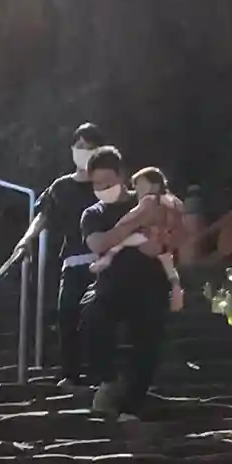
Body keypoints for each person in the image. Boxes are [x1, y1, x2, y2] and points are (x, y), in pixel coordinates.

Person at [79, 148, 174, 417]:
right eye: (97, 184)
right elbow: (98, 243)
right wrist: (133, 225)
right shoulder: (93, 214)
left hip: (150, 282)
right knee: (91, 316)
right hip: (110, 284)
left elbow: (158, 240)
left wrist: (122, 231)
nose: (102, 189)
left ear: (121, 175)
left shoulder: (147, 200)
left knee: (147, 340)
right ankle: (108, 379)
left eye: (107, 182)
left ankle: (133, 404)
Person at [17, 123, 105, 384]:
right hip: (73, 260)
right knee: (67, 314)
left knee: (100, 316)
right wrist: (27, 239)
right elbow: (43, 216)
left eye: (90, 147)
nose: (84, 151)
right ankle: (70, 374)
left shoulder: (107, 184)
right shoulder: (61, 186)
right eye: (79, 146)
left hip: (106, 260)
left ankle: (101, 375)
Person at [90, 166, 185, 314]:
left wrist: (119, 229)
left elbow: (131, 216)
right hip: (164, 243)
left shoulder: (149, 200)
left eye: (140, 185)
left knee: (121, 242)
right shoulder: (174, 201)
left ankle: (108, 257)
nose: (137, 190)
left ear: (154, 185)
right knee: (170, 268)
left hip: (151, 237)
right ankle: (176, 288)